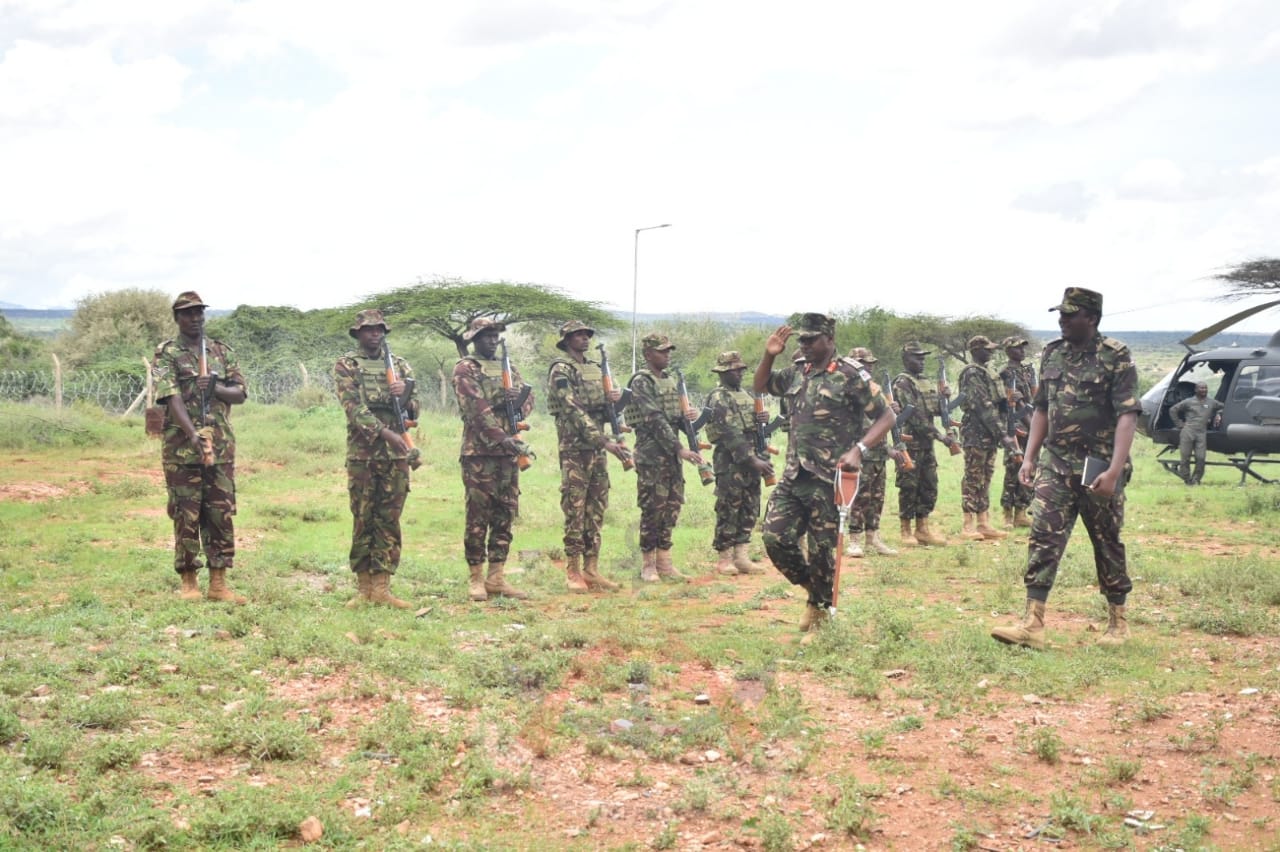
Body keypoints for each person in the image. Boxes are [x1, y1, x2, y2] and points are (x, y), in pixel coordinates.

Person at [991, 287, 1141, 649]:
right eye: (1060, 313)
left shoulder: (1115, 357)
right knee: (1043, 535)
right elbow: (1042, 408)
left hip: (1098, 464)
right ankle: (1032, 623)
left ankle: (1118, 623)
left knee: (1105, 540)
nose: (1062, 320)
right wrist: (1029, 457)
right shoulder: (1053, 354)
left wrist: (1115, 470)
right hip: (1056, 463)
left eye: (1070, 314)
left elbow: (1128, 415)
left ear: (1091, 318)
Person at [753, 314, 895, 631]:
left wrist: (859, 449)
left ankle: (818, 614)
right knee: (775, 537)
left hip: (829, 478)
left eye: (811, 339)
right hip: (794, 474)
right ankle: (814, 591)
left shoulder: (850, 374)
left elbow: (887, 417)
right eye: (801, 339)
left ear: (829, 340)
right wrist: (769, 354)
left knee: (822, 551)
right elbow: (759, 385)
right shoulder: (796, 372)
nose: (804, 344)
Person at [152, 291, 249, 604]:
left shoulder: (220, 351)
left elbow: (240, 393)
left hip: (220, 449)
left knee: (220, 513)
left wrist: (216, 387)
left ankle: (219, 583)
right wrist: (193, 434)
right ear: (177, 318)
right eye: (187, 314)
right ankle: (189, 581)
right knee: (186, 514)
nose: (195, 318)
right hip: (182, 449)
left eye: (199, 313)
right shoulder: (167, 353)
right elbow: (170, 397)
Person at [335, 309, 421, 608]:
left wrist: (405, 393)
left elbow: (415, 411)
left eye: (379, 329)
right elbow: (353, 408)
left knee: (389, 520)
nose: (375, 334)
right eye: (369, 329)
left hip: (395, 456)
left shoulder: (399, 365)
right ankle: (363, 588)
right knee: (363, 518)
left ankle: (382, 588)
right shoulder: (347, 365)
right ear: (358, 333)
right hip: (363, 454)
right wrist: (385, 434)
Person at [452, 318, 534, 601]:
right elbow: (475, 409)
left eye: (495, 335)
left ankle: (496, 577)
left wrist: (519, 402)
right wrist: (504, 436)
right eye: (485, 335)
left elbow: (529, 397)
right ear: (474, 339)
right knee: (478, 515)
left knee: (505, 513)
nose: (491, 340)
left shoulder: (508, 367)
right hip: (480, 452)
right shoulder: (465, 368)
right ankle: (476, 578)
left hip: (508, 454)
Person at [546, 320, 629, 592]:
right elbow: (572, 409)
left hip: (597, 450)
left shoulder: (595, 368)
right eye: (577, 335)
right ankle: (573, 570)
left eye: (586, 335)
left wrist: (614, 403)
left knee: (596, 507)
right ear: (567, 339)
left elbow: (602, 410)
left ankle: (591, 568)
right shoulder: (561, 369)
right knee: (575, 507)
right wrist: (604, 441)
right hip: (575, 448)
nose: (584, 339)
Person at [625, 333, 707, 581]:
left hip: (671, 455)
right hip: (652, 455)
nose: (667, 355)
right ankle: (648, 564)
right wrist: (679, 448)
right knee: (653, 507)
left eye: (669, 350)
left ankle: (665, 562)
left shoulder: (670, 381)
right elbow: (654, 418)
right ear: (649, 354)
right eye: (662, 351)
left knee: (672, 505)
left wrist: (688, 418)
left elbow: (673, 417)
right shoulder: (642, 381)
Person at [703, 351, 773, 576]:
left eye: (741, 369)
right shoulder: (718, 397)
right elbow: (729, 432)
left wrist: (762, 419)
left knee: (749, 507)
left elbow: (751, 426)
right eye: (734, 369)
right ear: (723, 372)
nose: (739, 373)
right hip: (731, 462)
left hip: (752, 461)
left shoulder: (746, 395)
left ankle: (741, 556)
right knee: (728, 508)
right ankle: (725, 558)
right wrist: (752, 459)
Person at [892, 342, 959, 546]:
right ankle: (906, 530)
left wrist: (945, 398)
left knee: (928, 485)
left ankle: (923, 528)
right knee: (908, 486)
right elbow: (914, 416)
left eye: (923, 358)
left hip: (927, 443)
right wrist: (940, 436)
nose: (921, 362)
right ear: (906, 360)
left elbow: (936, 410)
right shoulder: (902, 383)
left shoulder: (926, 382)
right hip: (910, 442)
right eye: (916, 358)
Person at [957, 335, 1017, 540]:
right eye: (986, 349)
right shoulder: (972, 373)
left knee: (986, 476)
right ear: (975, 350)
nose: (990, 352)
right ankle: (968, 524)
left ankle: (983, 522)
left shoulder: (988, 372)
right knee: (973, 476)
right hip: (976, 431)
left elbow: (997, 404)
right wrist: (1003, 434)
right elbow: (983, 406)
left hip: (989, 433)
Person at [844, 347, 899, 558]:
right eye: (863, 363)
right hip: (860, 451)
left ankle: (873, 537)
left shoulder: (874, 388)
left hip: (878, 453)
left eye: (870, 363)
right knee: (859, 497)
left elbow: (883, 420)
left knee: (877, 497)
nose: (868, 367)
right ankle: (855, 539)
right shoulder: (852, 390)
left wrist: (891, 408)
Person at [998, 335, 1037, 527]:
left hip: (1030, 424)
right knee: (1013, 469)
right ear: (1008, 351)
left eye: (1023, 347)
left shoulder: (1026, 371)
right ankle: (1007, 513)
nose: (1021, 351)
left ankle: (1021, 511)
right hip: (1015, 426)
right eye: (1017, 348)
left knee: (1030, 469)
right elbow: (1003, 402)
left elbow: (1033, 397)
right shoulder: (1005, 373)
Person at [1169, 382, 1223, 485]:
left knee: (1201, 457)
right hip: (1188, 431)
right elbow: (1173, 410)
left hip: (1201, 433)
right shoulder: (1188, 402)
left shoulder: (1211, 402)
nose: (1204, 390)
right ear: (1196, 390)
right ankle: (1187, 478)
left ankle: (1196, 478)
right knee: (1185, 456)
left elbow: (1223, 406)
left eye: (1205, 388)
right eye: (1201, 388)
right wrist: (1179, 424)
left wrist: (1218, 414)